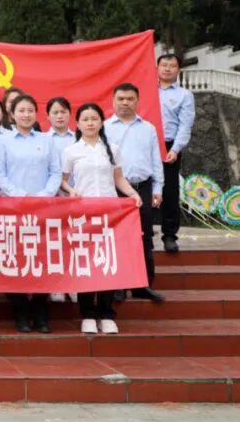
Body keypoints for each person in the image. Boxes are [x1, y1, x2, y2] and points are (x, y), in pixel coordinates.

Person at [61, 103, 143, 335]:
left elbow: (119, 178)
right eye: (85, 119)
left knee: (107, 262)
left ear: (101, 122)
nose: (90, 123)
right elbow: (63, 179)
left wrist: (133, 194)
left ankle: (107, 314)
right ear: (78, 124)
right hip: (84, 214)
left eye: (94, 119)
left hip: (110, 214)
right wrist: (71, 190)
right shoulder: (71, 151)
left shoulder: (112, 149)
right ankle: (87, 314)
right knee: (86, 264)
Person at [0, 95, 62, 333]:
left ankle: (41, 313)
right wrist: (21, 196)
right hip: (13, 208)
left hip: (43, 209)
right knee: (16, 259)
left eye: (30, 110)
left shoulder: (47, 140)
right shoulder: (3, 141)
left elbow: (56, 172)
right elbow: (0, 175)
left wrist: (44, 195)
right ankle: (21, 312)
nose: (26, 114)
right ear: (12, 114)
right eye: (21, 111)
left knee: (41, 259)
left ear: (36, 114)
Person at [106, 83, 165, 303]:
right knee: (118, 237)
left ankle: (143, 284)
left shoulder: (148, 128)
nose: (125, 103)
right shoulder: (105, 128)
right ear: (113, 101)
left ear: (137, 101)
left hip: (144, 187)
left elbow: (156, 160)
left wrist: (158, 188)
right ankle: (119, 285)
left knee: (145, 236)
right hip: (115, 189)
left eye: (130, 99)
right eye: (121, 99)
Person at [157, 53, 195, 253]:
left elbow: (185, 125)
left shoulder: (184, 95)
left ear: (178, 70)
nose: (167, 68)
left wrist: (175, 149)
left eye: (172, 65)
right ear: (157, 68)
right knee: (140, 186)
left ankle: (170, 234)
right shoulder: (144, 90)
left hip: (169, 144)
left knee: (170, 190)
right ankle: (141, 230)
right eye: (164, 64)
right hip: (145, 143)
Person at [45, 97, 77, 303]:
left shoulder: (78, 138)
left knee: (74, 241)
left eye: (63, 112)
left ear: (69, 114)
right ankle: (56, 285)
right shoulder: (42, 139)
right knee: (53, 242)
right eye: (55, 112)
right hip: (51, 198)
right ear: (47, 116)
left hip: (76, 197)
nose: (59, 116)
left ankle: (73, 284)